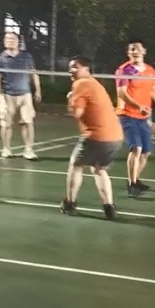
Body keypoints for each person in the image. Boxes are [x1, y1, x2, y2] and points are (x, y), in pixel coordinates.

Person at [60, 56, 123, 220]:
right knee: (99, 168)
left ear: (86, 69)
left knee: (76, 165)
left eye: (75, 67)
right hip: (116, 137)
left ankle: (70, 203)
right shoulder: (95, 84)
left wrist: (70, 100)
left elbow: (77, 113)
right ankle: (109, 207)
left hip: (96, 136)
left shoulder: (81, 84)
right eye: (70, 67)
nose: (71, 70)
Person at [115, 39, 155, 198]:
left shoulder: (150, 70)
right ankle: (132, 184)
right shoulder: (124, 70)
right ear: (128, 53)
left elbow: (154, 90)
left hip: (142, 116)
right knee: (137, 148)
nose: (135, 51)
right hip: (127, 114)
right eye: (132, 49)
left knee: (146, 152)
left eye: (138, 49)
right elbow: (122, 93)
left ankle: (135, 180)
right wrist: (138, 105)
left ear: (144, 51)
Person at [0, 31, 42, 160]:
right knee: (6, 124)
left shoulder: (27, 57)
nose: (10, 41)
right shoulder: (0, 59)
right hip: (7, 95)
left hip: (25, 95)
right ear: (4, 41)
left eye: (13, 39)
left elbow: (34, 73)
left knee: (27, 122)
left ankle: (29, 150)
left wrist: (38, 90)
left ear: (18, 41)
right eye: (7, 39)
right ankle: (6, 149)